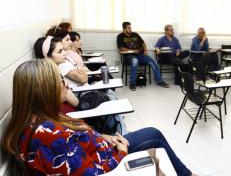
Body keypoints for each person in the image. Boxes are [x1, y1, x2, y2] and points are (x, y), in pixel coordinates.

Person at [1, 59, 195, 176]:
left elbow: (77, 146)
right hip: (110, 160)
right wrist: (122, 151)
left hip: (101, 148)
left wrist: (104, 136)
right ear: (44, 90)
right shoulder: (51, 136)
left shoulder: (38, 120)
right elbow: (95, 173)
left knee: (153, 136)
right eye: (61, 82)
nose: (67, 86)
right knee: (154, 134)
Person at [117, 22, 169, 90]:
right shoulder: (120, 36)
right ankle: (132, 83)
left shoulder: (135, 34)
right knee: (135, 61)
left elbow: (143, 43)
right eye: (128, 28)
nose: (130, 29)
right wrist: (132, 50)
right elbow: (121, 48)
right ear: (124, 29)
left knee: (152, 61)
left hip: (139, 55)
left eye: (130, 27)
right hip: (128, 57)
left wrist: (145, 50)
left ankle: (160, 81)